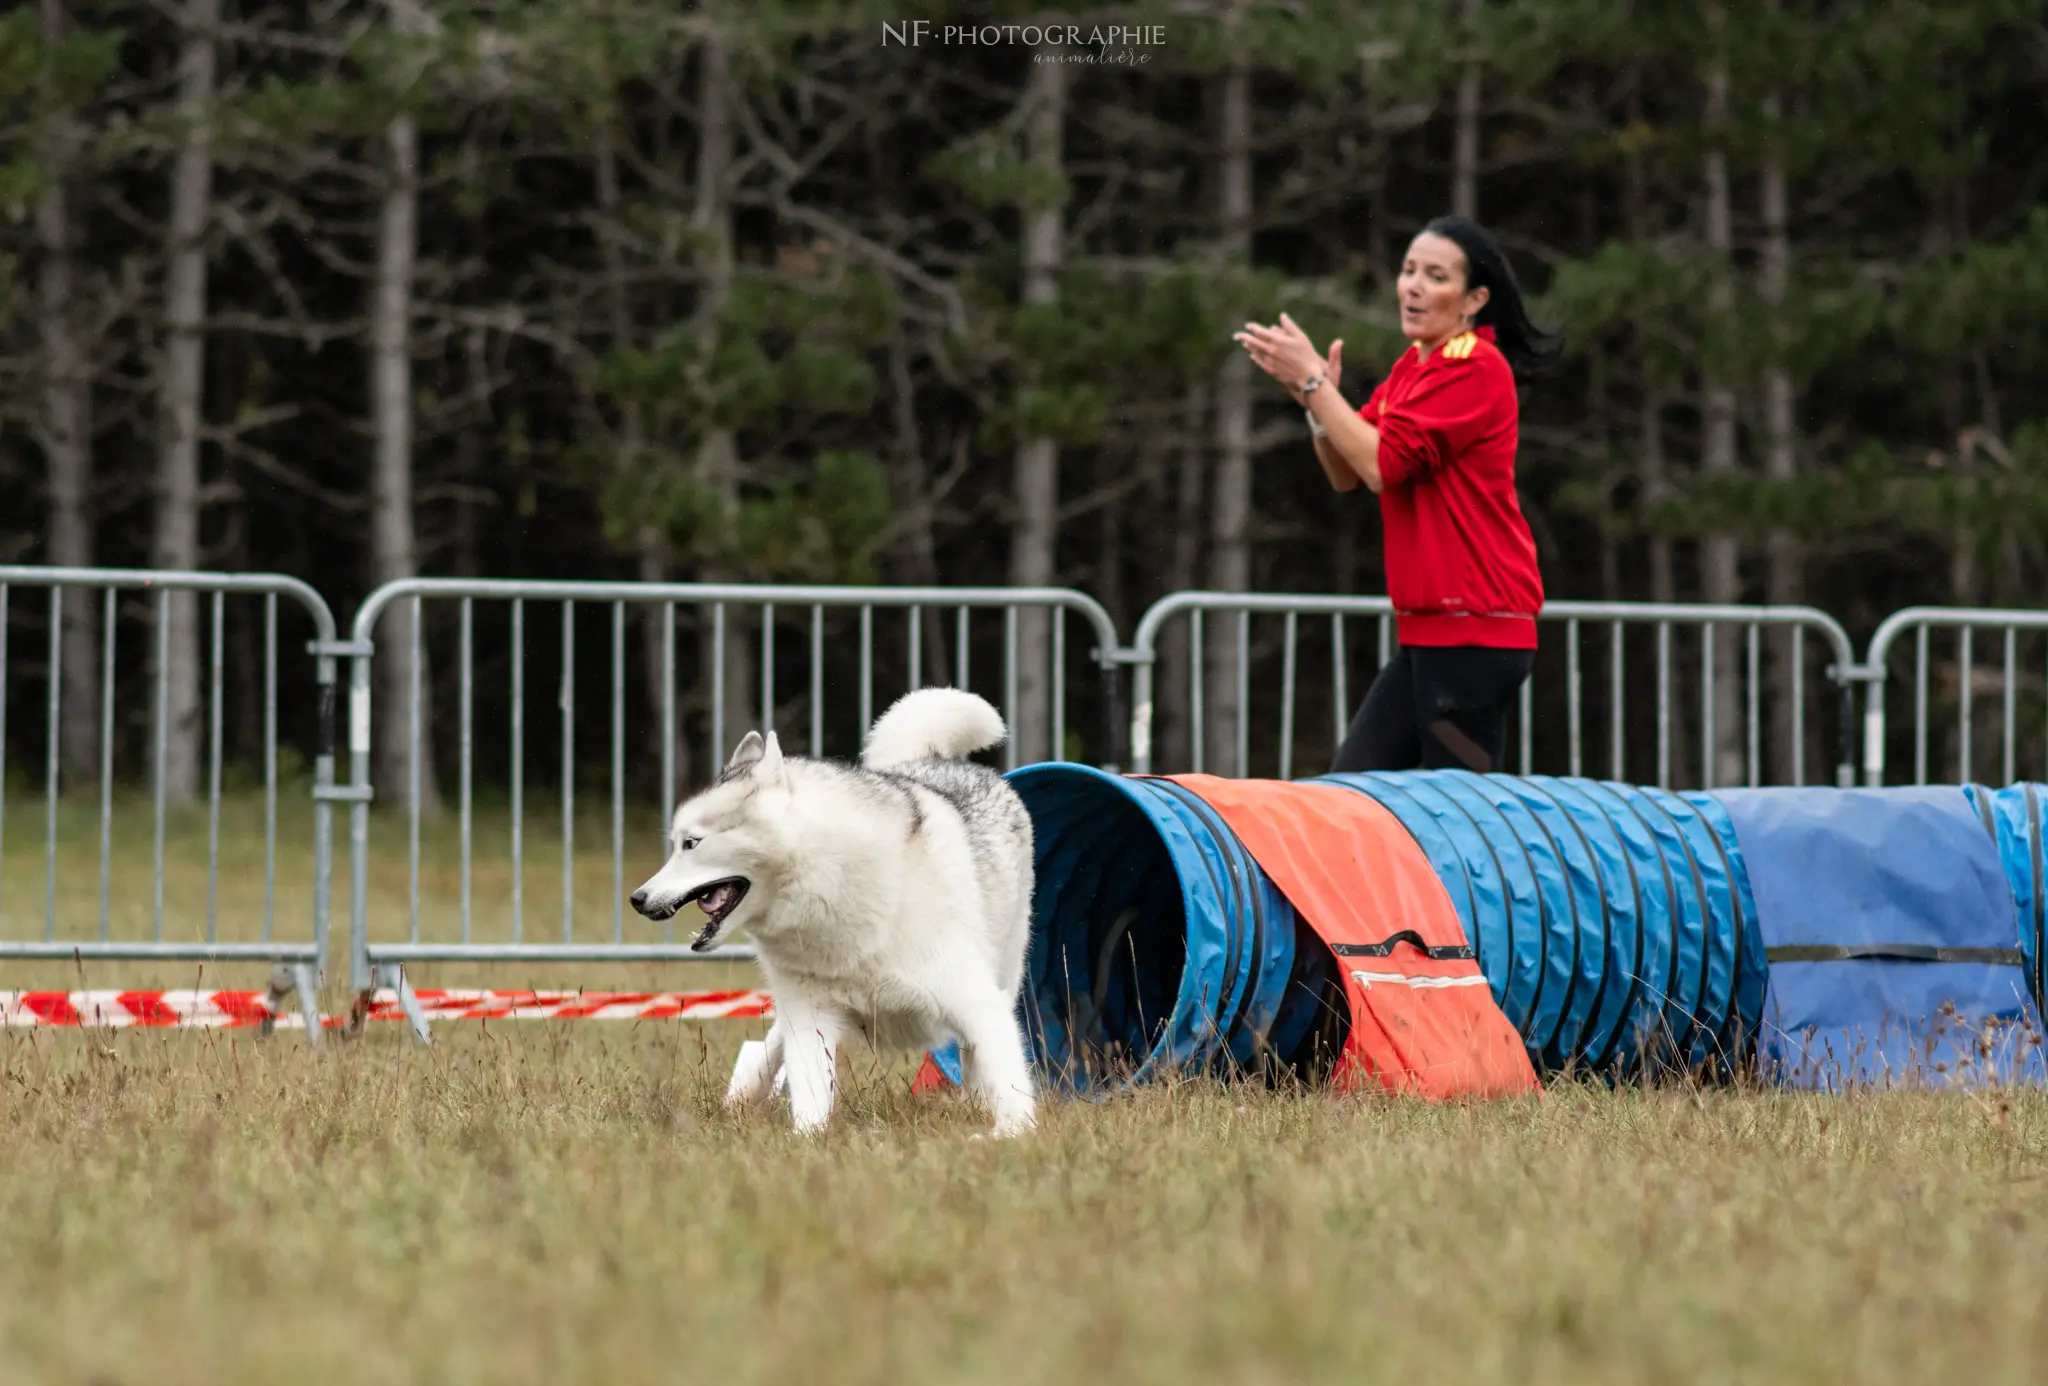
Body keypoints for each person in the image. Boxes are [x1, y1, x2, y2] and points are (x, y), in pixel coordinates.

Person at [1234, 214, 1560, 774]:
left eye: (1435, 276)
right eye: (1408, 270)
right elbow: (1346, 470)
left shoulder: (1476, 367)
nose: (1411, 286)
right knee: (1353, 795)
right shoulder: (1413, 367)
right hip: (1433, 635)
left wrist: (1316, 386)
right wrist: (1316, 399)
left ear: (1473, 300)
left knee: (1456, 822)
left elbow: (1382, 465)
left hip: (1475, 633)